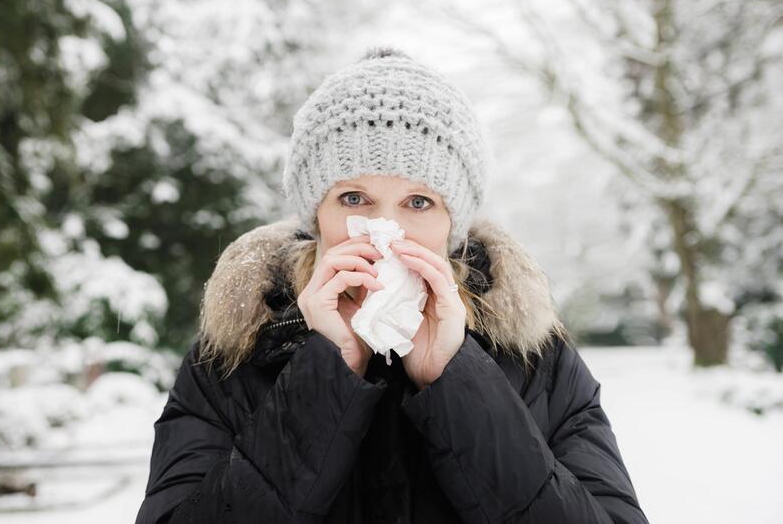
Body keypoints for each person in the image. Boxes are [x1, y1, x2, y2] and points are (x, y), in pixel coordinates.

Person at [135, 46, 648, 524]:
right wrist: (325, 377)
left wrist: (457, 382)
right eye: (355, 199)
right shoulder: (234, 353)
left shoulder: (536, 357)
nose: (387, 230)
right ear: (317, 214)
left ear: (454, 223)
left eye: (418, 203)